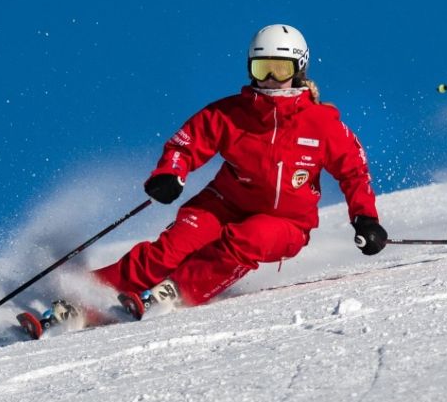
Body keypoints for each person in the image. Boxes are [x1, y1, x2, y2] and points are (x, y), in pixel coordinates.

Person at [91, 24, 387, 317]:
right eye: (262, 69)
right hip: (223, 205)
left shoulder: (322, 124)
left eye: (280, 70)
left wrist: (366, 220)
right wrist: (169, 173)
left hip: (287, 223)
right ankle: (90, 290)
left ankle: (176, 291)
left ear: (299, 69)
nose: (270, 79)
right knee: (170, 249)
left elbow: (354, 172)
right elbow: (186, 144)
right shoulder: (230, 113)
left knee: (250, 238)